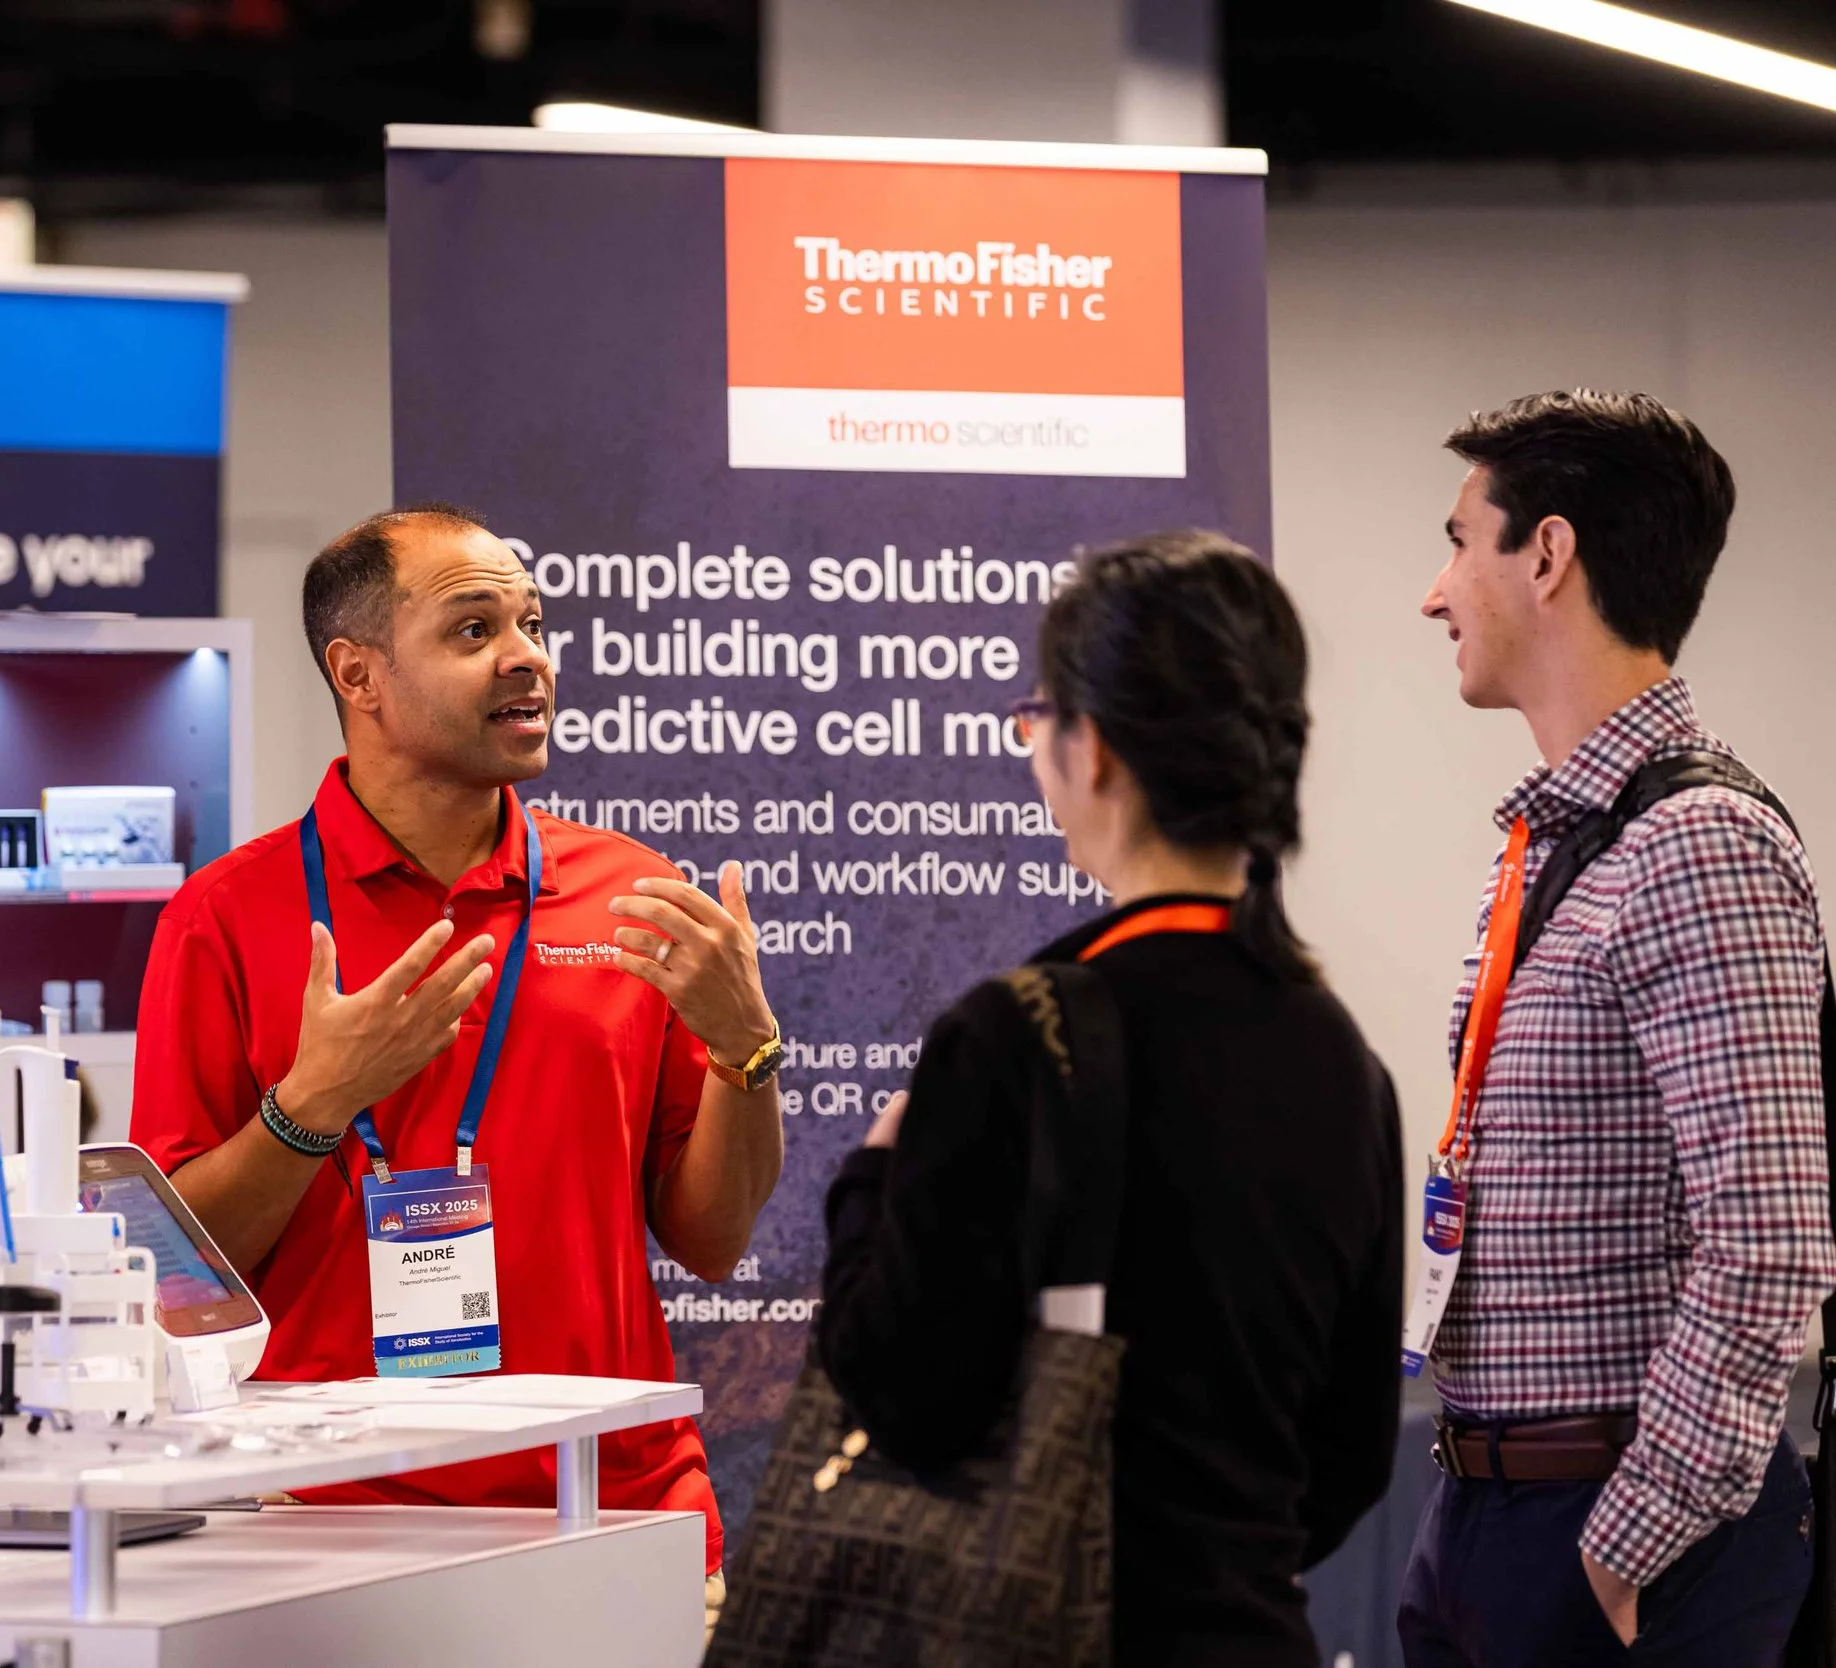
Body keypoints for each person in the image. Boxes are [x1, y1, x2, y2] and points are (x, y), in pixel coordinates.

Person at [129, 505, 787, 1582]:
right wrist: (313, 1108)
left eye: (531, 624)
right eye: (474, 630)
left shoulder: (630, 893)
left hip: (611, 1502)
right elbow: (180, 1280)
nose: (527, 657)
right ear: (359, 677)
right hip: (324, 1525)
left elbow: (708, 1240)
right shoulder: (226, 917)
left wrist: (745, 1052)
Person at [815, 533, 1404, 1665]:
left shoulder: (1010, 1037)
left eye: (1041, 718)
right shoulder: (1346, 1061)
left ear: (1098, 752)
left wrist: (867, 1181)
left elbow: (907, 1399)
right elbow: (1347, 1461)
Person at [1398, 392, 1836, 1665]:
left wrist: (1622, 1549)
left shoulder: (1698, 844)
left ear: (1547, 555)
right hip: (1493, 1505)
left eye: (1457, 541)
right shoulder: (1567, 842)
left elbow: (1769, 1244)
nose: (1434, 595)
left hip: (1618, 1530)